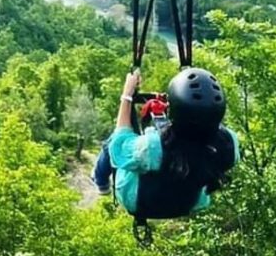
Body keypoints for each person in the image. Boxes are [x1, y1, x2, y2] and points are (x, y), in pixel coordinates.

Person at [93, 68, 240, 219]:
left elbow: (120, 142)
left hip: (140, 202)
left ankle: (101, 182)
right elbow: (198, 135)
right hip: (188, 203)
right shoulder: (229, 144)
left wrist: (127, 95)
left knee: (113, 142)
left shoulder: (154, 148)